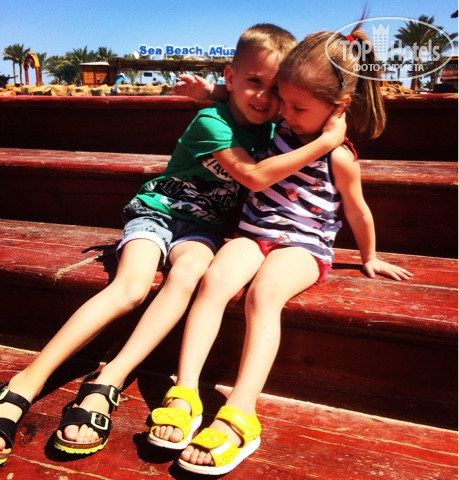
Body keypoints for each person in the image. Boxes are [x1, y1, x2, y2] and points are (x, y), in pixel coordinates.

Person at [0, 24, 347, 466]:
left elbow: (293, 101)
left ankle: (109, 379)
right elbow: (254, 176)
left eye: (274, 89)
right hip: (158, 213)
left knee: (189, 275)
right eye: (254, 82)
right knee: (131, 288)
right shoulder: (210, 122)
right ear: (231, 76)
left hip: (203, 230)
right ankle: (24, 383)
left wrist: (220, 91)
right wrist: (326, 142)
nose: (264, 97)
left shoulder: (270, 127)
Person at [150, 29, 414, 475]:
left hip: (303, 245)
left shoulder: (339, 156)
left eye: (296, 107)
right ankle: (187, 390)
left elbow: (358, 210)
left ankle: (240, 411)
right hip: (254, 233)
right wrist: (209, 92)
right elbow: (243, 98)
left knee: (264, 294)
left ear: (338, 107)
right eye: (283, 102)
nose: (283, 113)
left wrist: (369, 256)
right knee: (214, 281)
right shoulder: (283, 125)